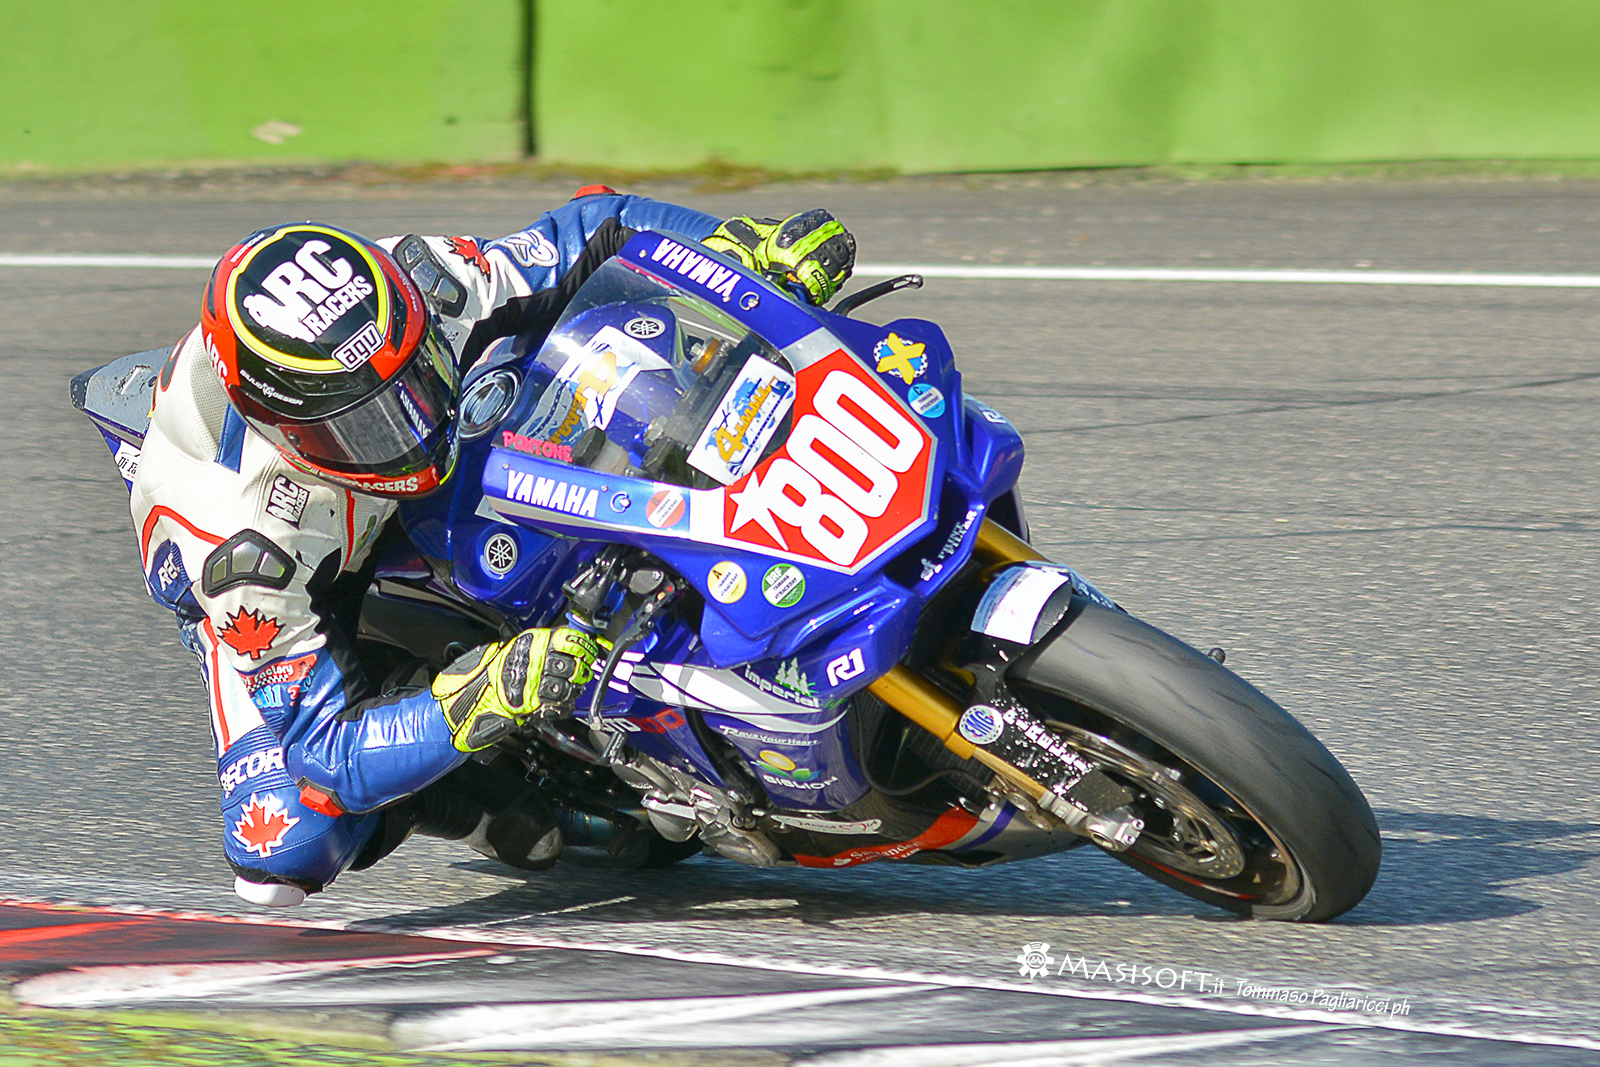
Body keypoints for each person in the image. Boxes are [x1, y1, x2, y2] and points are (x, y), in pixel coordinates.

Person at [130, 188, 856, 906]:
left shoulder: (424, 283)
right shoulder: (243, 551)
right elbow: (327, 754)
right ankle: (458, 799)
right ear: (286, 432)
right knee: (281, 846)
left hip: (445, 419)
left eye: (411, 382)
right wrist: (487, 692)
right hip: (313, 562)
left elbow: (595, 226)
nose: (409, 428)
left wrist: (738, 246)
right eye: (367, 425)